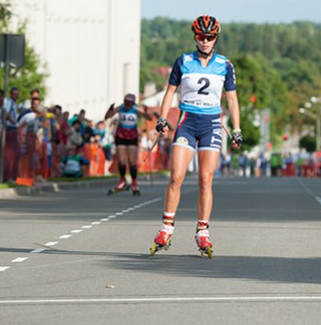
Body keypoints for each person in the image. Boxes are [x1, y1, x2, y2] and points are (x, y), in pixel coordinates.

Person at [150, 15, 242, 258]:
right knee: (176, 176)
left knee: (205, 179)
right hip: (187, 123)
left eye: (210, 37)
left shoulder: (225, 65)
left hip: (211, 124)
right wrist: (162, 118)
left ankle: (202, 232)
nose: (205, 41)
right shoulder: (183, 61)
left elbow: (232, 99)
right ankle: (166, 228)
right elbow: (170, 92)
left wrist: (236, 129)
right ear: (195, 37)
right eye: (201, 36)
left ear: (216, 39)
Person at [104, 93, 153, 196]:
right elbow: (107, 116)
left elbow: (149, 118)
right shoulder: (120, 108)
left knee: (132, 161)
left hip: (132, 136)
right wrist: (110, 110)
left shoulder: (136, 109)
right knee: (121, 160)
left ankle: (134, 182)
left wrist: (146, 111)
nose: (127, 107)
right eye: (126, 104)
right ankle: (122, 180)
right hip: (121, 135)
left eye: (129, 104)